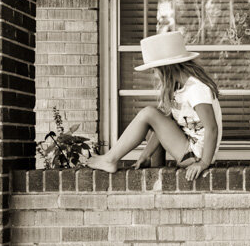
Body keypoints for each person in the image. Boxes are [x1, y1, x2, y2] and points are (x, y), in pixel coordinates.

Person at [87, 30, 222, 181]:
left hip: (196, 156)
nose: (154, 74)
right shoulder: (179, 89)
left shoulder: (196, 89)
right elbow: (162, 126)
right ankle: (156, 177)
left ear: (166, 68)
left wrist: (203, 163)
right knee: (156, 119)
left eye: (154, 70)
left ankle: (110, 159)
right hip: (188, 149)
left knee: (149, 113)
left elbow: (212, 128)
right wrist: (146, 155)